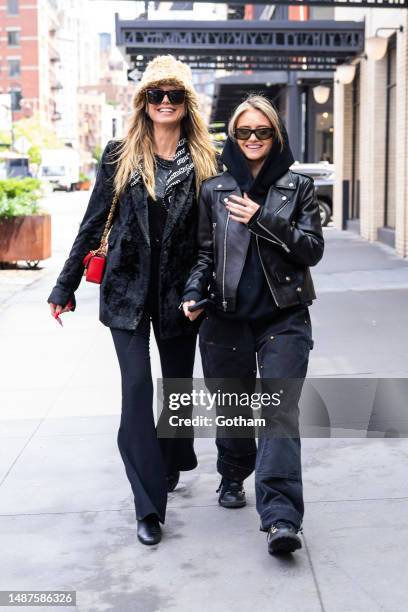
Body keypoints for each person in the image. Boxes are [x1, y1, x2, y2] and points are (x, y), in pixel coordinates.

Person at [47, 55, 218, 546]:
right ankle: (147, 505)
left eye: (175, 95)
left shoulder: (208, 162)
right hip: (126, 290)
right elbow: (91, 221)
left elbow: (216, 238)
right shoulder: (118, 154)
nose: (165, 102)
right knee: (138, 390)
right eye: (156, 94)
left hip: (181, 295)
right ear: (143, 101)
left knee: (178, 391)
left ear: (187, 104)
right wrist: (65, 287)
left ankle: (174, 456)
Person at [182, 95, 324, 555]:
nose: (253, 140)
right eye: (244, 132)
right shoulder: (214, 190)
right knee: (234, 408)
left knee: (279, 410)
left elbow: (310, 250)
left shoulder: (297, 187)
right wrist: (191, 292)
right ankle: (231, 471)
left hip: (284, 316)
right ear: (234, 137)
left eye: (262, 131)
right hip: (224, 318)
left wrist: (264, 219)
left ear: (275, 135)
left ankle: (282, 517)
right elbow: (205, 253)